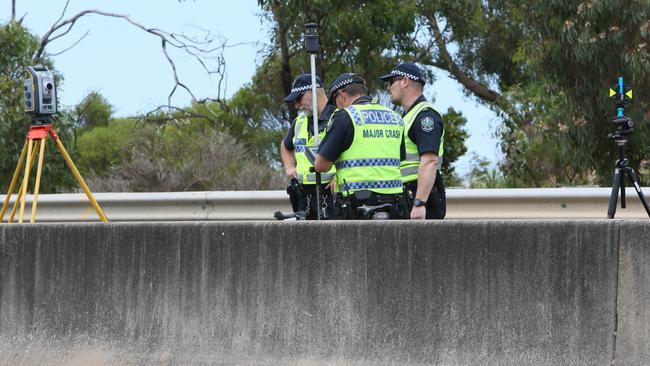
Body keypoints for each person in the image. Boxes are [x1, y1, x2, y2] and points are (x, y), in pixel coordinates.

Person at [313, 73, 408, 219]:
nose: (337, 107)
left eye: (336, 101)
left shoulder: (346, 116)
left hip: (358, 204)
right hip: (396, 203)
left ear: (342, 94)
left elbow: (320, 165)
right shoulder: (395, 117)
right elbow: (398, 158)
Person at [380, 62, 446, 220]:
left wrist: (419, 203)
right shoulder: (407, 116)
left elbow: (430, 161)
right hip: (407, 194)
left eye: (391, 82)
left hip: (420, 196)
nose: (389, 88)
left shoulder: (425, 116)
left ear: (404, 82)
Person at [280, 74, 336, 219]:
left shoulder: (339, 117)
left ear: (313, 91)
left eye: (299, 98)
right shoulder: (300, 121)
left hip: (330, 195)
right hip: (305, 197)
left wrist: (339, 178)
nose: (297, 105)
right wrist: (290, 168)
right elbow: (285, 146)